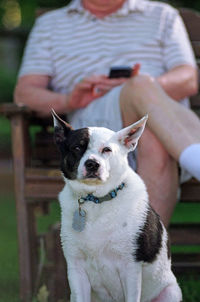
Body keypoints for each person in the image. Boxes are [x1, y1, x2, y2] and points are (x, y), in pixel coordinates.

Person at [14, 0, 199, 226]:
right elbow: (24, 94)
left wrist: (142, 91)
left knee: (145, 111)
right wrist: (68, 100)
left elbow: (189, 79)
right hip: (92, 128)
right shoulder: (50, 25)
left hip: (157, 124)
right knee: (140, 90)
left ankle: (140, 256)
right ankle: (194, 159)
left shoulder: (162, 15)